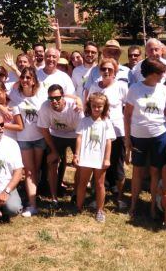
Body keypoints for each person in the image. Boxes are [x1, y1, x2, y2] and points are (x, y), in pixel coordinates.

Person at [124, 59, 166, 218]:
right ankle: (134, 205)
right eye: (160, 73)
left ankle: (152, 206)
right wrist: (127, 139)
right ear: (150, 73)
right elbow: (127, 115)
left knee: (155, 171)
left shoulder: (164, 90)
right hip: (138, 137)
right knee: (137, 171)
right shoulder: (135, 89)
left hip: (159, 135)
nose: (163, 75)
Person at [85, 58, 128, 211]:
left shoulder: (121, 87)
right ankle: (97, 197)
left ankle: (119, 198)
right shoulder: (94, 86)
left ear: (115, 71)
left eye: (110, 69)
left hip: (117, 132)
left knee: (118, 167)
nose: (107, 72)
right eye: (104, 69)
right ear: (100, 70)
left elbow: (129, 109)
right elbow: (88, 108)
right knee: (97, 165)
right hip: (97, 132)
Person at [10, 67, 47, 217]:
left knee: (36, 170)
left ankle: (32, 196)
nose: (25, 80)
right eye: (23, 77)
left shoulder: (41, 94)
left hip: (40, 138)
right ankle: (32, 205)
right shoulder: (15, 94)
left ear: (34, 81)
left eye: (28, 78)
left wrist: (77, 100)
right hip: (24, 139)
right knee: (30, 171)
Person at [38, 84, 82, 206]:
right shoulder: (45, 107)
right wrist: (53, 151)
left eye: (57, 98)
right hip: (56, 134)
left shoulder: (74, 106)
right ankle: (54, 198)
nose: (54, 101)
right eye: (51, 98)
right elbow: (44, 130)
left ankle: (76, 193)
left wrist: (77, 154)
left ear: (63, 97)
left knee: (79, 163)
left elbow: (80, 133)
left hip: (75, 134)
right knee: (52, 162)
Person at [73, 92, 114, 221]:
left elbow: (108, 141)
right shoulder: (84, 121)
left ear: (104, 107)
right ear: (89, 106)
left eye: (99, 106)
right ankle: (78, 207)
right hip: (86, 158)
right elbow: (79, 137)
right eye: (94, 105)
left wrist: (107, 159)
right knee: (82, 183)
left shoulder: (106, 122)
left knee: (100, 184)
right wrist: (76, 154)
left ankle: (100, 211)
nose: (96, 109)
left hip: (100, 159)